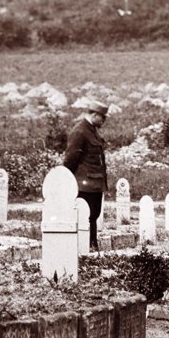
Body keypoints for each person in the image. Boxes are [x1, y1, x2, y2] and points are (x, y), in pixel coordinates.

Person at [63, 99, 109, 251]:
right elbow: (71, 159)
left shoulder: (92, 130)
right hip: (84, 184)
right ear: (95, 115)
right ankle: (85, 246)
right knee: (86, 217)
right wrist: (67, 179)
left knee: (93, 216)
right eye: (103, 117)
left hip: (95, 183)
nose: (104, 121)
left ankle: (92, 245)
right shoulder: (80, 131)